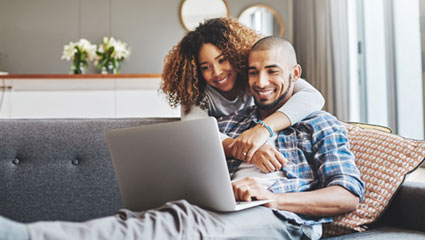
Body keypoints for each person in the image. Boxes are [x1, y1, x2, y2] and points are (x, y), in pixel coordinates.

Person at [0, 36, 364, 240]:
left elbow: (347, 195)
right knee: (150, 217)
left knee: (184, 224)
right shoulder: (234, 121)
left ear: (295, 73)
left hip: (282, 219)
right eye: (253, 72)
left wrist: (275, 198)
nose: (261, 81)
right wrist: (230, 169)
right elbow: (198, 158)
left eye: (272, 71)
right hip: (221, 210)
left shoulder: (319, 123)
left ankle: (29, 237)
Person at [161, 18, 325, 171]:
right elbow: (196, 133)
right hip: (228, 163)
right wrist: (247, 150)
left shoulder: (256, 78)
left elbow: (313, 97)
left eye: (222, 60)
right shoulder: (195, 92)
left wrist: (264, 128)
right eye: (205, 67)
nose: (217, 72)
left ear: (236, 55)